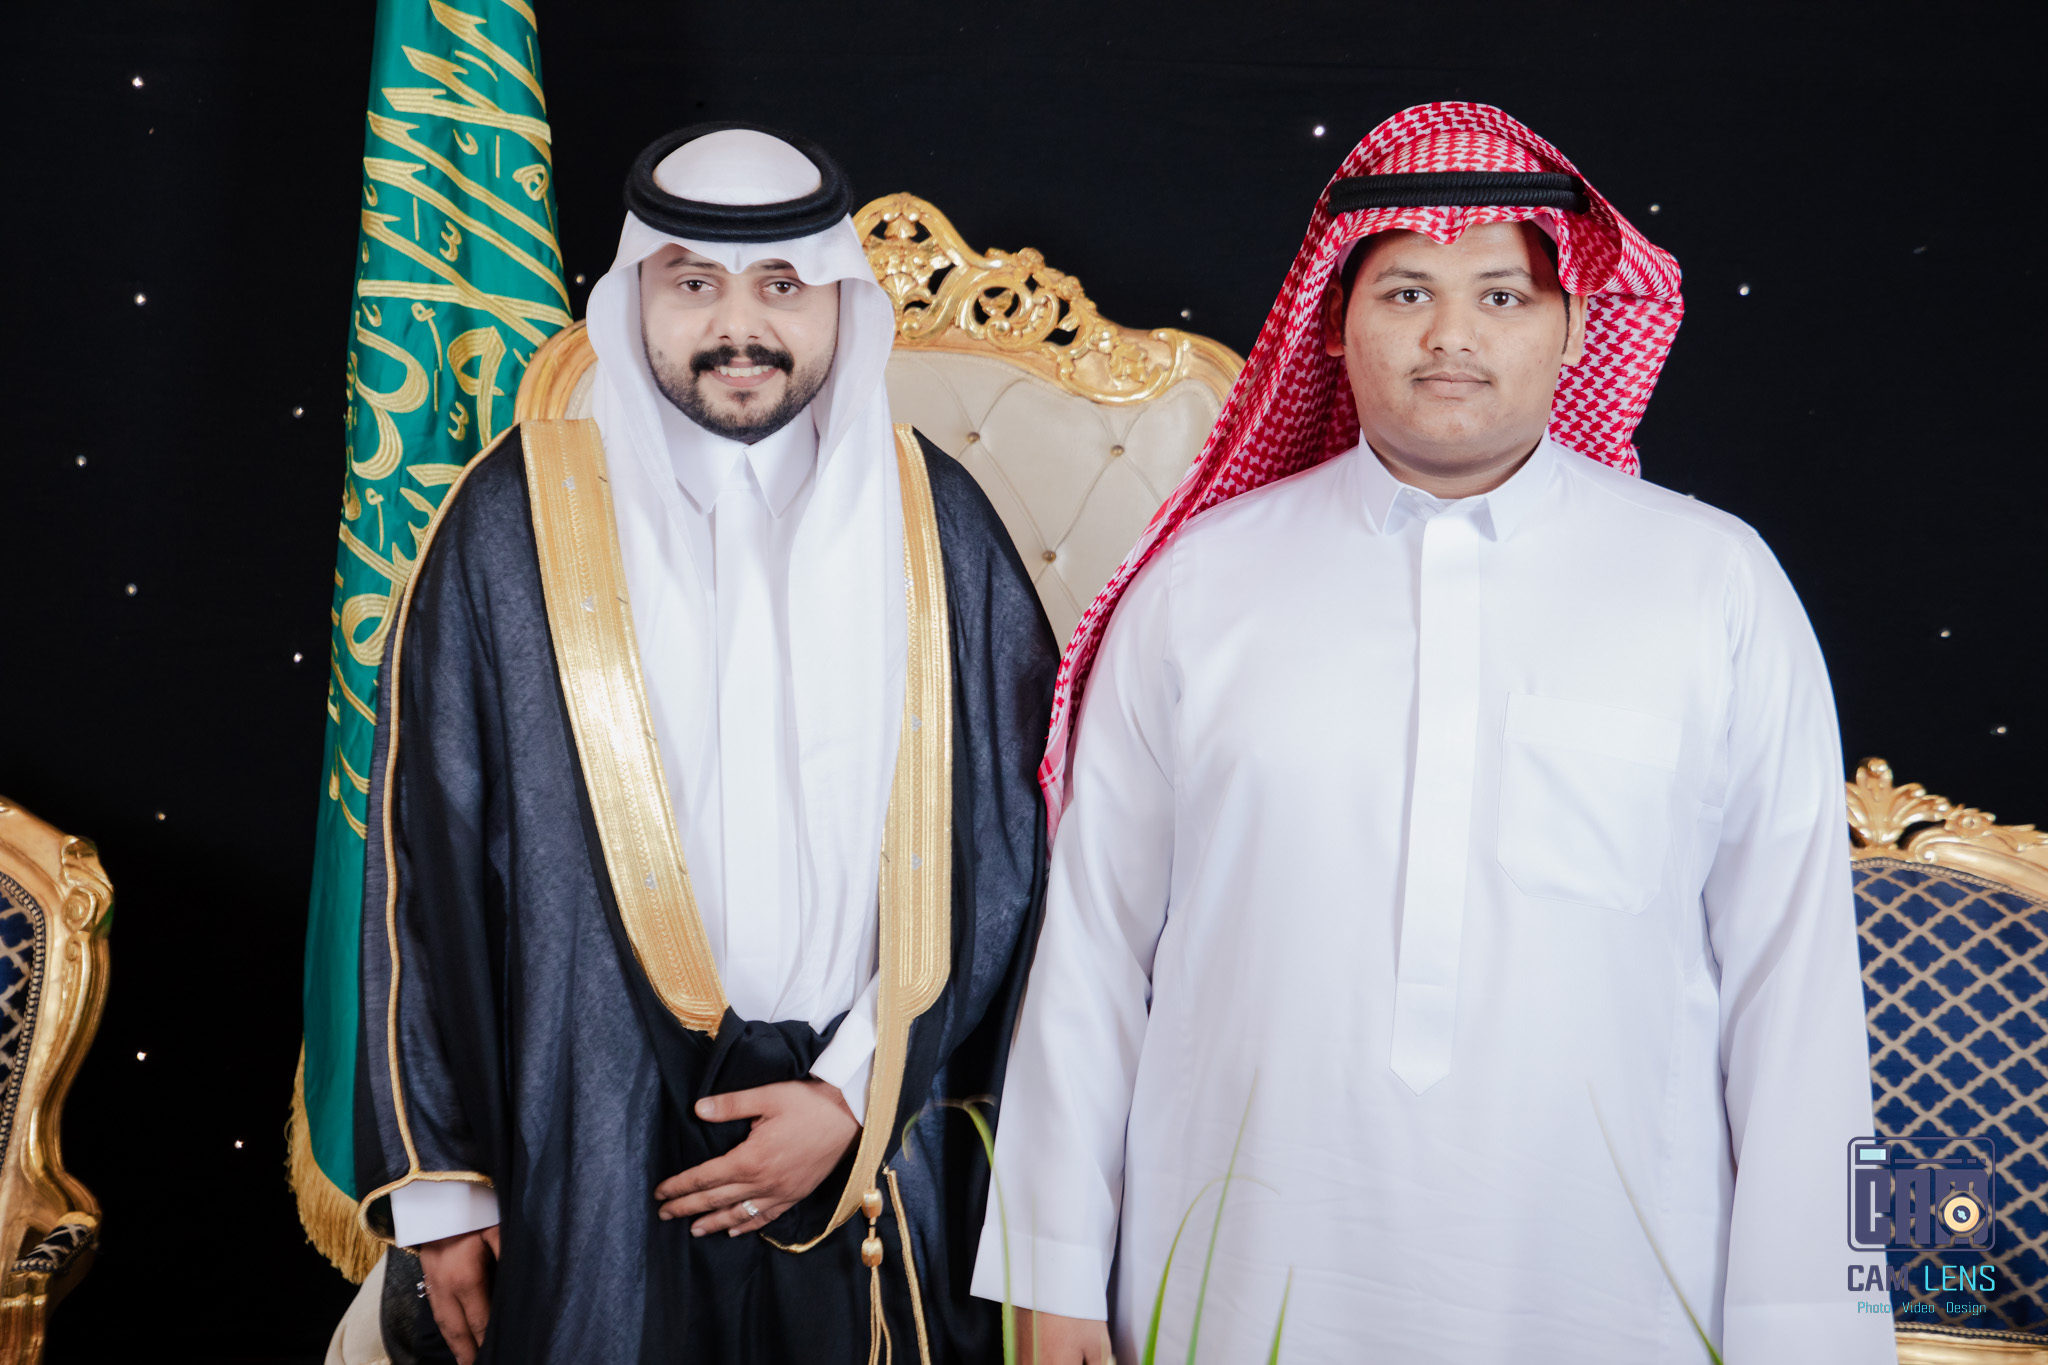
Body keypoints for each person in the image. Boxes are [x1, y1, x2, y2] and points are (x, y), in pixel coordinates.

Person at [977, 102, 1891, 1364]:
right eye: (1405, 292)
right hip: (1236, 1280)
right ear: (1331, 320)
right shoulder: (1199, 586)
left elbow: (1795, 992)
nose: (1450, 335)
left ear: (1575, 325)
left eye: (1501, 297)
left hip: (1617, 1290)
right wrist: (1053, 1274)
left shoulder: (1713, 585)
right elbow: (1091, 951)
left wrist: (1815, 1334)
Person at [355, 122, 1058, 1364]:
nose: (739, 327)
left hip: (869, 1143)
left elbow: (1012, 849)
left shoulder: (938, 524)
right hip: (592, 1127)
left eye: (781, 285)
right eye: (693, 284)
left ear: (839, 302)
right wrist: (443, 1192)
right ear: (635, 298)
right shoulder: (512, 522)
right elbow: (427, 856)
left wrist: (851, 1090)